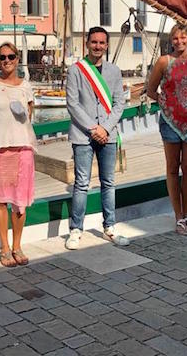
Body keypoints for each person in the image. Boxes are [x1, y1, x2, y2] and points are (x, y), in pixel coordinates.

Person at [65, 26, 130, 249]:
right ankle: (75, 229)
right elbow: (72, 103)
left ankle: (109, 226)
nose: (98, 46)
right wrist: (94, 128)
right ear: (87, 43)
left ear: (107, 45)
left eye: (102, 43)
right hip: (83, 134)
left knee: (108, 182)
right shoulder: (76, 70)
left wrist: (106, 128)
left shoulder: (114, 71)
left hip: (108, 134)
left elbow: (120, 102)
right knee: (81, 183)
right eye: (94, 42)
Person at [0, 41, 36, 267]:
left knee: (20, 201)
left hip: (23, 149)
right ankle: (4, 247)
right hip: (0, 151)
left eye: (11, 57)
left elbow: (29, 117)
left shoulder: (26, 87)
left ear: (17, 59)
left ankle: (17, 246)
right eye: (2, 57)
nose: (7, 61)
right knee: (1, 199)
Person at [147, 23, 187, 235]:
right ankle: (178, 217)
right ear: (171, 41)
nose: (179, 42)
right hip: (171, 122)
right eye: (175, 39)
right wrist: (166, 103)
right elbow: (151, 90)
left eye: (183, 38)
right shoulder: (164, 62)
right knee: (173, 168)